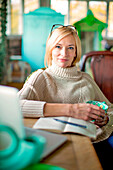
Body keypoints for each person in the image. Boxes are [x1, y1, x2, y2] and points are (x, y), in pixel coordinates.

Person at [18, 24, 113, 169]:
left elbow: (111, 109)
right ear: (50, 50)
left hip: (93, 141)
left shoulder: (86, 79)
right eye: (58, 46)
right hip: (55, 143)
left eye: (70, 47)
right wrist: (72, 110)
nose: (64, 53)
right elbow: (16, 105)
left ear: (76, 52)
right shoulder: (40, 78)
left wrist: (105, 119)